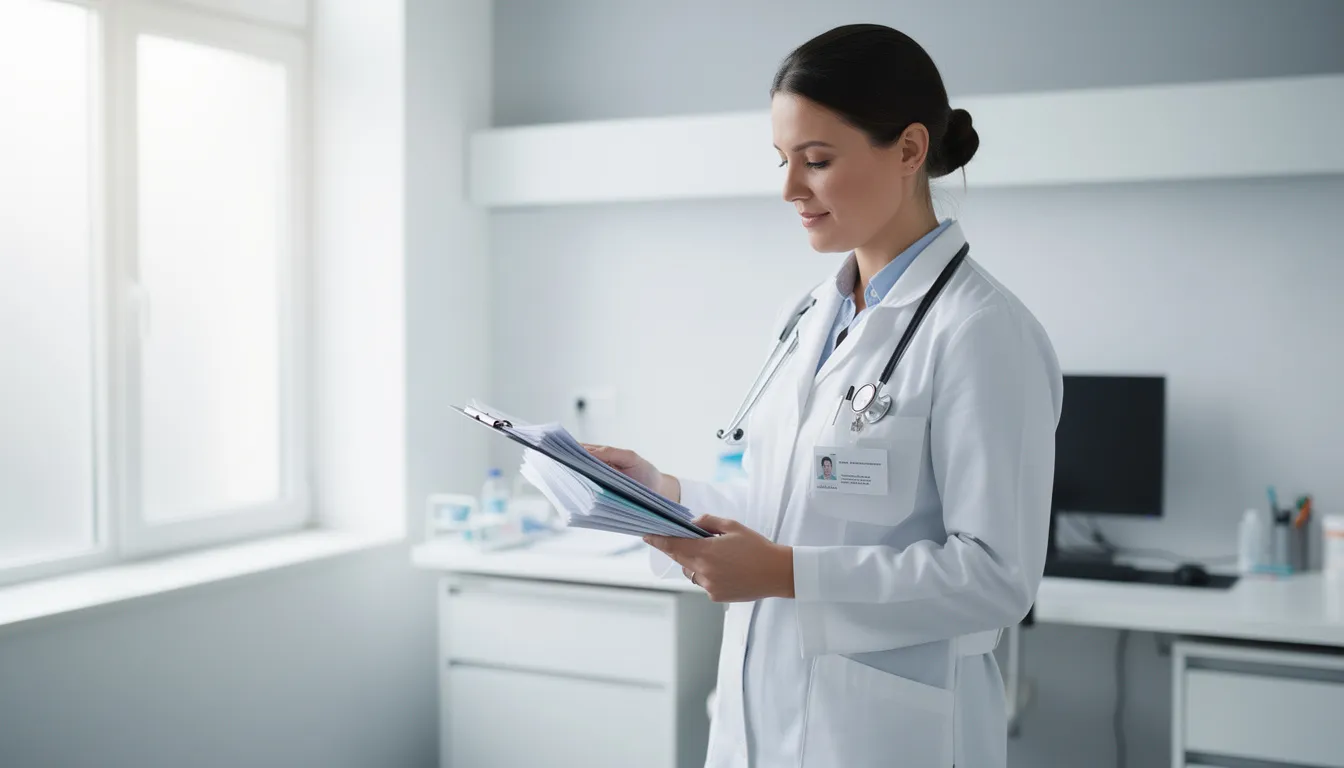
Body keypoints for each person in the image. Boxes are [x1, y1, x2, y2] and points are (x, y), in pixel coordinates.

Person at [586, 23, 1061, 768]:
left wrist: (783, 574)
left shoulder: (982, 332)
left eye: (816, 160)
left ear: (908, 151)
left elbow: (997, 579)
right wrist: (663, 495)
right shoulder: (812, 314)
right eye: (783, 160)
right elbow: (784, 505)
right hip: (761, 714)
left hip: (887, 733)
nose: (788, 189)